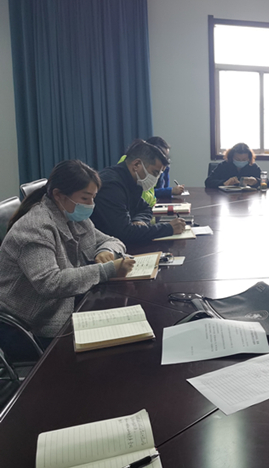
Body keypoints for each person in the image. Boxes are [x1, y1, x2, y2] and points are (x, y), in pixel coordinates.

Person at [0, 160, 135, 356]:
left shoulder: (72, 214)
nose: (91, 205)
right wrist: (106, 270)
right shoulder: (35, 228)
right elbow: (50, 283)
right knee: (113, 350)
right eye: (85, 198)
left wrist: (105, 251)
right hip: (28, 327)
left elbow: (112, 240)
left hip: (65, 304)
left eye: (93, 198)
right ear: (59, 195)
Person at [91, 140, 185, 245]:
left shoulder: (130, 180)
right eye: (155, 173)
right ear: (136, 164)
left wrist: (140, 220)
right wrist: (168, 228)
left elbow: (146, 208)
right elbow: (124, 233)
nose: (156, 179)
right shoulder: (111, 185)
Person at [117, 136, 185, 207]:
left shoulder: (156, 169)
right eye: (163, 155)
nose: (165, 159)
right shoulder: (132, 167)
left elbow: (152, 197)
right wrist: (170, 191)